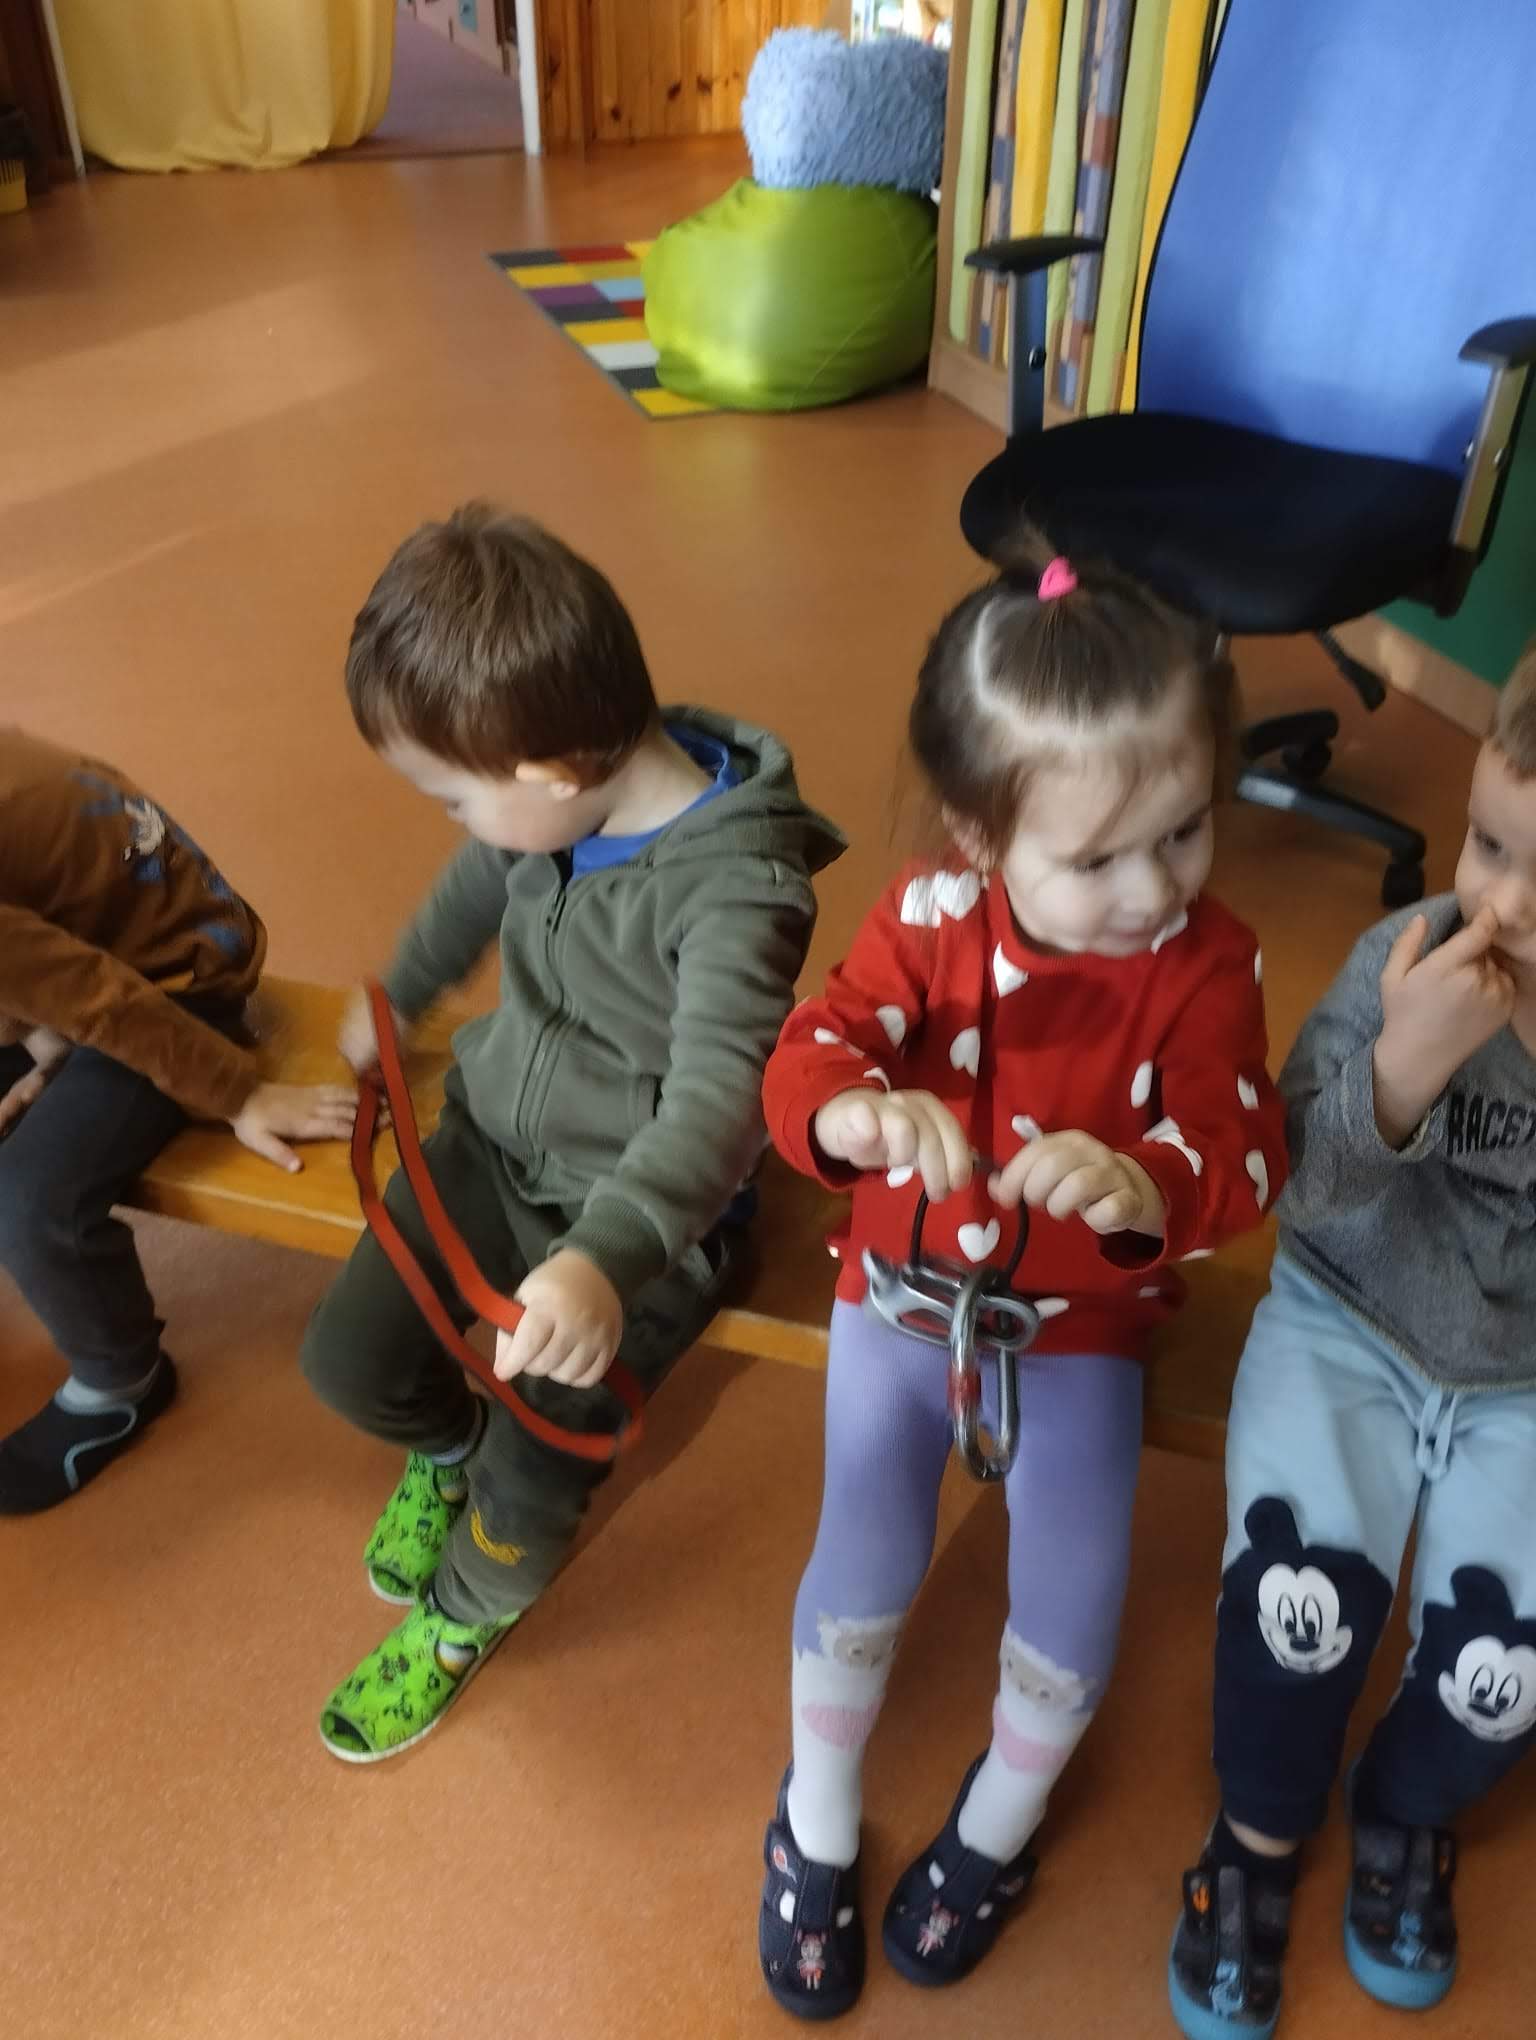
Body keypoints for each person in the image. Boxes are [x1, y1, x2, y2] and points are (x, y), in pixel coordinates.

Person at [755, 543, 1287, 2018]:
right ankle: (815, 1815)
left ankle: (999, 1824)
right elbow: (814, 1049)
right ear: (980, 836)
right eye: (1098, 859)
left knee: (1072, 1594)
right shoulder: (929, 916)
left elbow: (1247, 1144)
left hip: (1078, 1333)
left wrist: (1152, 1188)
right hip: (900, 1297)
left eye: (1186, 832)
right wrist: (849, 1119)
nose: (1155, 889)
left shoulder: (1209, 963)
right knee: (861, 1554)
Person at [301, 504, 845, 1762]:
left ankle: (461, 1616)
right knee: (347, 1358)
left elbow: (719, 1105)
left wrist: (604, 1260)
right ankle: (445, 1448)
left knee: (536, 1470)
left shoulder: (738, 892)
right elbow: (477, 882)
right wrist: (401, 991)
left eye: (453, 798)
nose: (455, 820)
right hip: (498, 1143)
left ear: (547, 774)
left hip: (645, 1226)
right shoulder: (557, 798)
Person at [1169, 640, 1536, 2038]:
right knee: (1297, 1595)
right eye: (1489, 842)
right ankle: (1259, 1832)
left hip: (1518, 1382)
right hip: (1347, 1314)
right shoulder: (1409, 959)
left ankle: (1405, 1808)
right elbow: (1295, 1185)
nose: (1502, 902)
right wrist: (1401, 1071)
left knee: (1505, 1665)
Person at [0, 728, 356, 1513]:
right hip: (68, 964)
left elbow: (96, 997)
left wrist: (237, 1094)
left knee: (27, 1200)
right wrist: (36, 1036)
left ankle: (120, 1379)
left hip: (177, 994)